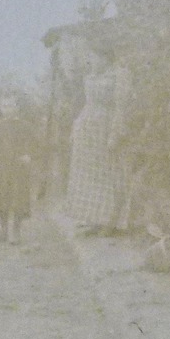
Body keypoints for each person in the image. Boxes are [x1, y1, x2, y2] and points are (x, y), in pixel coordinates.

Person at [65, 50, 130, 235]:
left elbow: (120, 107)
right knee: (90, 175)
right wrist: (75, 127)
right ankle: (95, 219)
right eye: (89, 57)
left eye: (94, 57)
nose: (91, 61)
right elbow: (87, 104)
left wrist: (114, 134)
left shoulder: (119, 75)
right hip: (88, 130)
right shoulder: (90, 77)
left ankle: (110, 222)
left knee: (109, 174)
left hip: (106, 127)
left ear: (105, 57)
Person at [0, 92, 39, 245]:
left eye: (10, 105)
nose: (7, 109)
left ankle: (16, 231)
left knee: (18, 199)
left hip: (18, 169)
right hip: (1, 168)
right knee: (1, 199)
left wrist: (29, 155)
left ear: (17, 107)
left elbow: (35, 144)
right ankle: (3, 231)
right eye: (4, 106)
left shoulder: (25, 126)